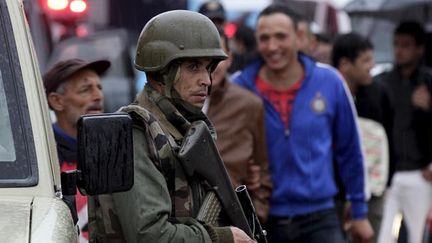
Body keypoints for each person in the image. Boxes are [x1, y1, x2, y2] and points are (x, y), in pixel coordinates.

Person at [88, 10, 255, 243]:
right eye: (193, 67)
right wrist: (221, 238)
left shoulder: (182, 127)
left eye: (208, 68)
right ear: (161, 72)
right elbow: (150, 234)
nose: (206, 80)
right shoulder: (132, 133)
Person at [232, 3, 373, 243]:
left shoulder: (329, 81)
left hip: (320, 217)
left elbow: (350, 150)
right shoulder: (239, 87)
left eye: (280, 36)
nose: (272, 46)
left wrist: (359, 210)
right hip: (262, 217)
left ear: (299, 37)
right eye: (264, 38)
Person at [203, 28, 272, 223]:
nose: (212, 66)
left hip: (232, 217)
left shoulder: (248, 104)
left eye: (219, 57)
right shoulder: (173, 105)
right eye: (203, 58)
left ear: (230, 58)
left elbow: (262, 165)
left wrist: (258, 214)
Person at [332, 32, 393, 243]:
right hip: (334, 196)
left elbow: (389, 138)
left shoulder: (378, 93)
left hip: (373, 192)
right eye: (366, 60)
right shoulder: (326, 95)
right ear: (345, 63)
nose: (372, 66)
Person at [375, 21, 432, 243]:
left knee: (417, 236)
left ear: (419, 48)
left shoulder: (427, 82)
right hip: (389, 172)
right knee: (384, 235)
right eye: (396, 44)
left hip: (420, 171)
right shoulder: (384, 82)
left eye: (406, 45)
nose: (399, 50)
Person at [43, 58, 111, 242]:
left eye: (99, 87)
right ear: (57, 101)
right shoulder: (43, 160)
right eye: (86, 89)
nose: (98, 96)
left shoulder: (113, 149)